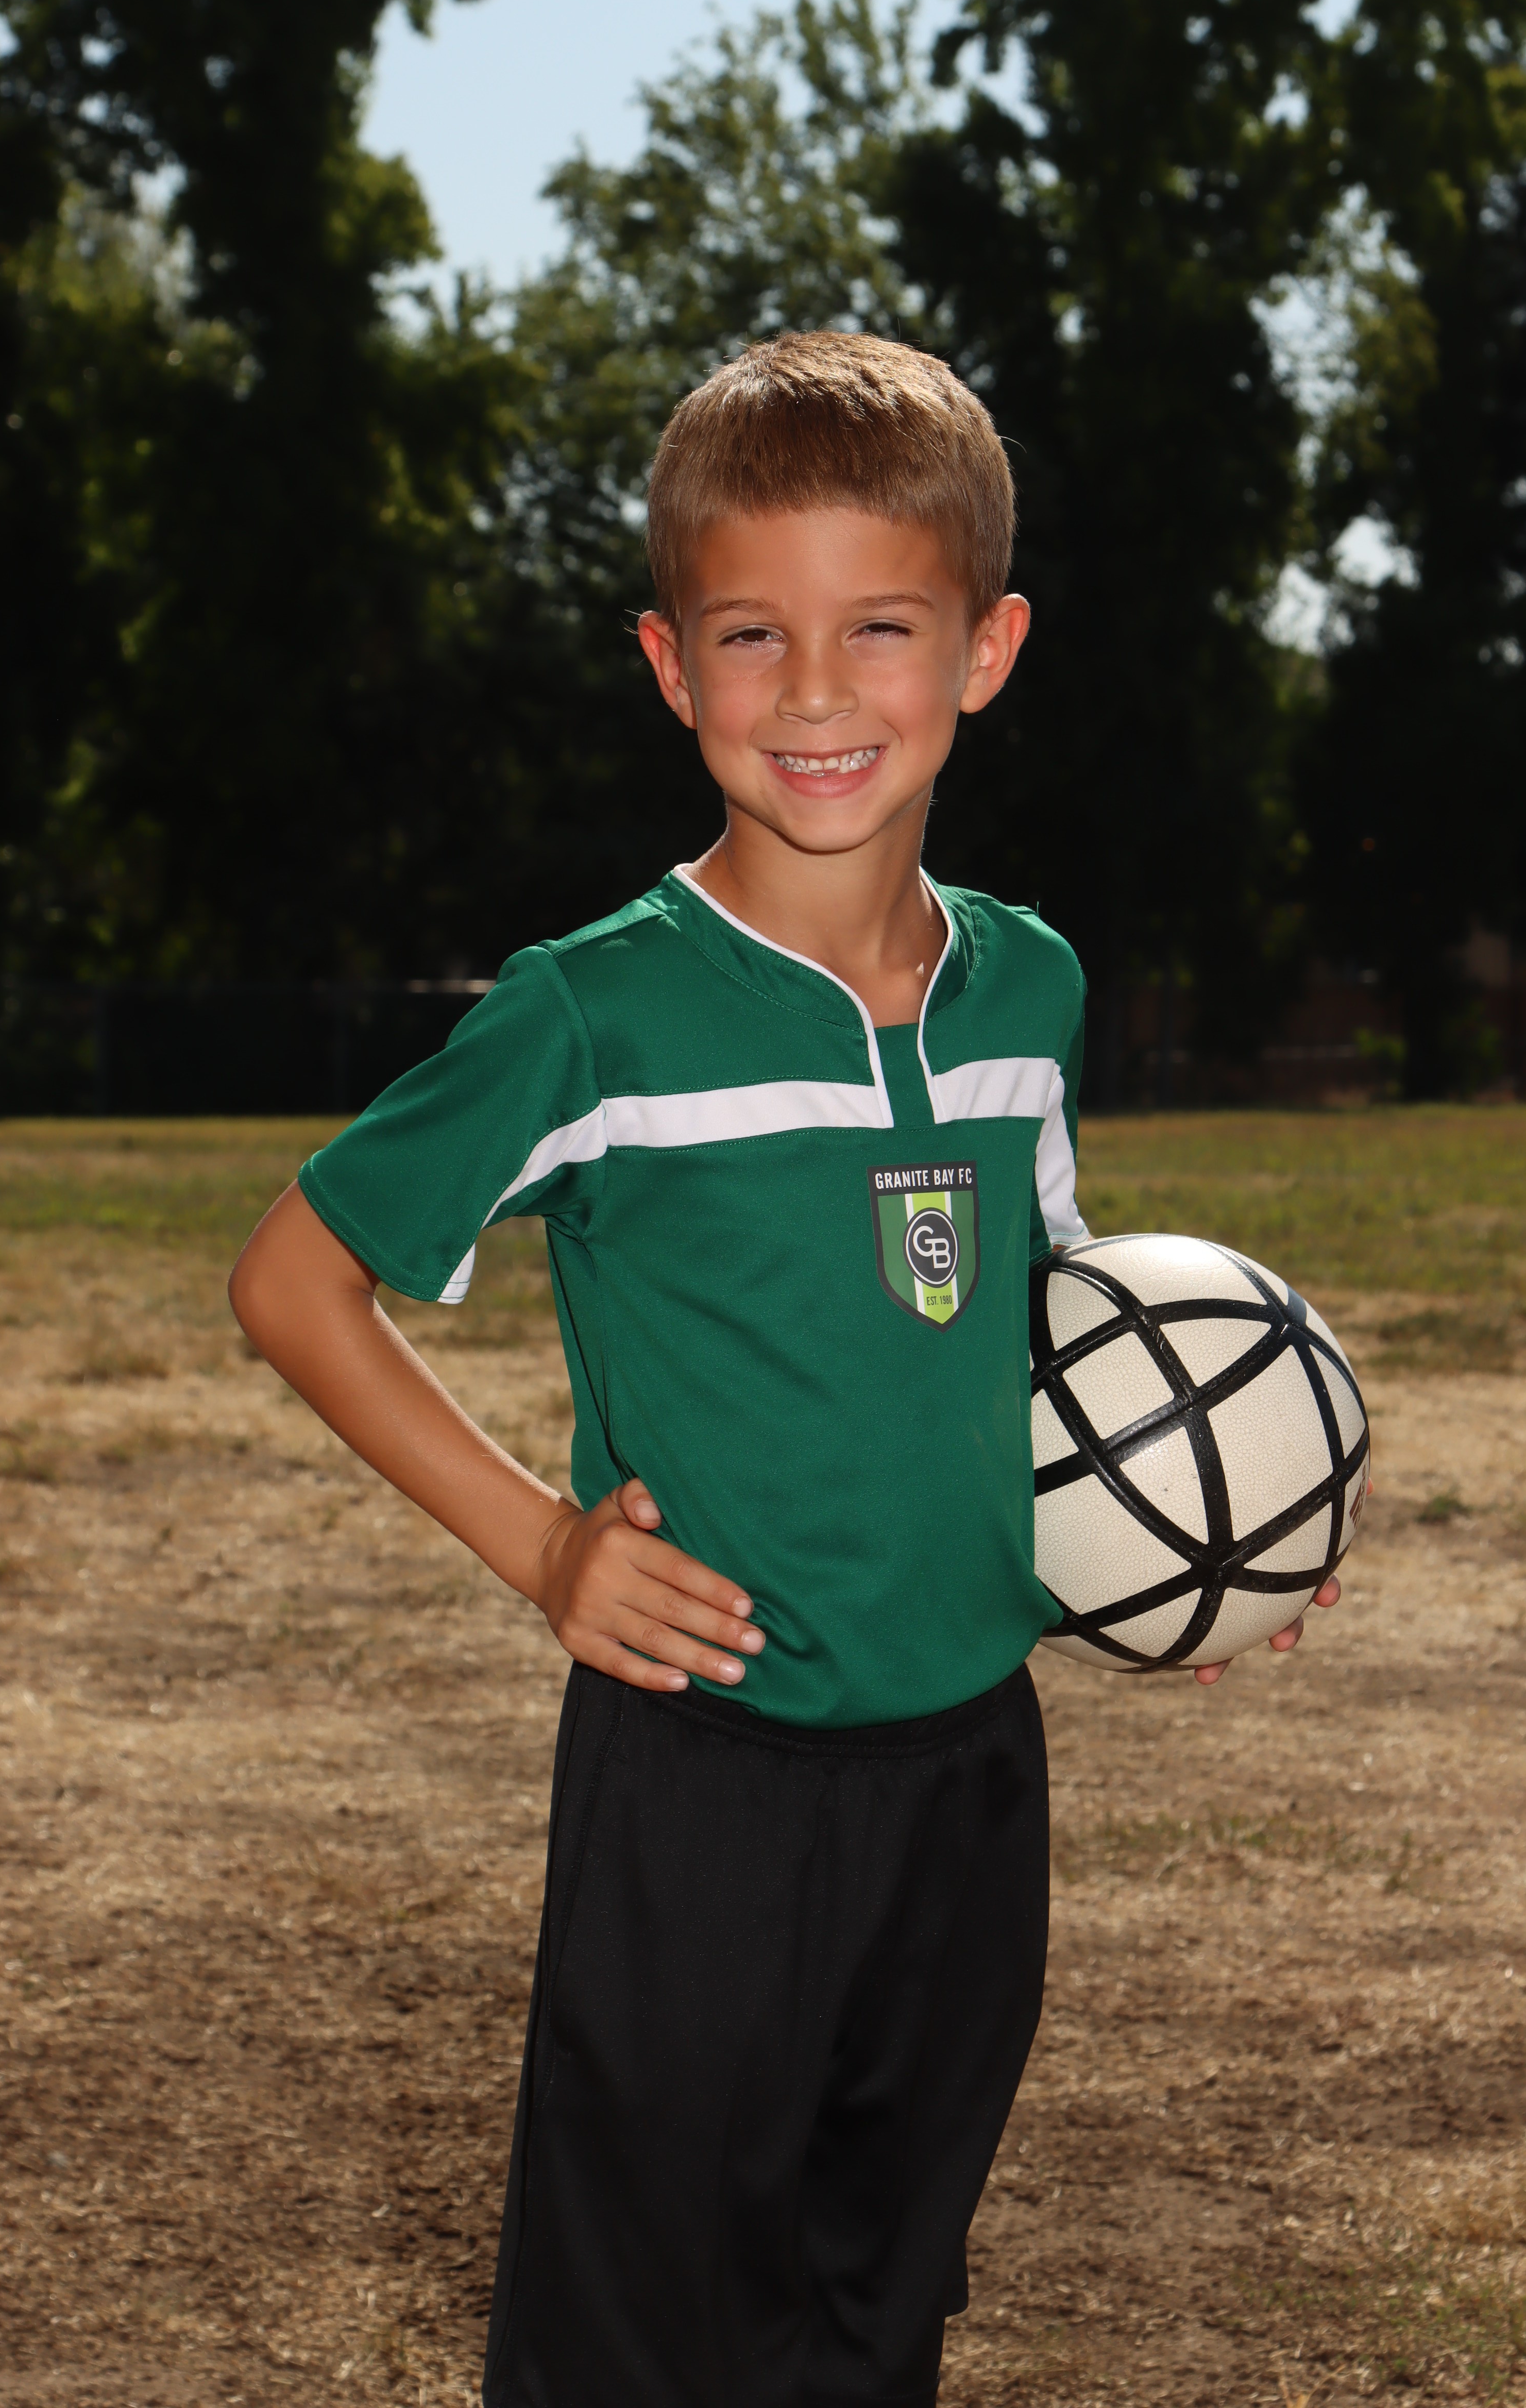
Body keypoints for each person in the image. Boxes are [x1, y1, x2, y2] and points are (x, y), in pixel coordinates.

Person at [228, 332, 1340, 2408]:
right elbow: (295, 1283)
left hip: (971, 1774)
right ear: (673, 668)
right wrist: (546, 1548)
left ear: (987, 648)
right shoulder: (597, 1015)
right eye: (754, 634)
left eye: (879, 628)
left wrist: (1195, 1544)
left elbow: (1044, 1329)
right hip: (706, 1776)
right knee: (639, 2332)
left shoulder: (1027, 985)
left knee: (873, 2307)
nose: (816, 692)